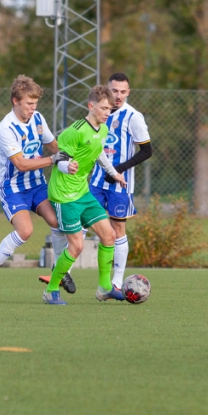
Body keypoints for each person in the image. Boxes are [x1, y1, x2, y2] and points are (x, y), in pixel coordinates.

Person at [0, 75, 71, 296]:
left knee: (58, 222)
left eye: (35, 103)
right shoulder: (5, 128)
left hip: (37, 184)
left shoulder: (37, 118)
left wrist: (69, 159)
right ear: (15, 101)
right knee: (25, 231)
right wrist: (53, 160)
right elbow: (20, 164)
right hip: (13, 188)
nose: (33, 107)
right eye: (29, 103)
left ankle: (59, 271)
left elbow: (53, 145)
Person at [41, 85, 128, 305]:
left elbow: (98, 153)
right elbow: (59, 160)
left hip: (83, 192)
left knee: (109, 236)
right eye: (103, 108)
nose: (107, 113)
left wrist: (114, 173)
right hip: (64, 195)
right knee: (77, 246)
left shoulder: (104, 130)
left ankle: (104, 288)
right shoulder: (75, 131)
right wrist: (67, 167)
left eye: (110, 109)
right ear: (91, 106)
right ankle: (51, 290)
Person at [86, 72, 152, 291]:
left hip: (120, 184)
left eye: (123, 92)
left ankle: (116, 281)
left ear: (128, 92)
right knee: (80, 221)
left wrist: (118, 170)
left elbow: (147, 151)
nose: (118, 96)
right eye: (114, 90)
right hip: (97, 181)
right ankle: (62, 273)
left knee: (117, 229)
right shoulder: (99, 112)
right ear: (107, 89)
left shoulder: (133, 117)